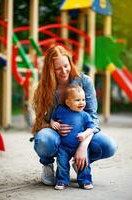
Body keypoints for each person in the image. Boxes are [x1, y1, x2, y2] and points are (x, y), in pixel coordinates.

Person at [31, 45, 117, 188]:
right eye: (58, 68)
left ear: (70, 63)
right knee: (43, 139)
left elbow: (92, 119)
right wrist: (52, 125)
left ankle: (81, 161)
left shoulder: (84, 82)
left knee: (109, 146)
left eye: (66, 65)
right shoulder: (45, 87)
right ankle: (47, 165)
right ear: (50, 69)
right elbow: (40, 120)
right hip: (55, 134)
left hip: (82, 133)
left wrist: (83, 146)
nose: (64, 71)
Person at [51, 84, 95, 190]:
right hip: (63, 146)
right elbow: (53, 118)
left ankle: (85, 180)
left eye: (83, 99)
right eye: (77, 100)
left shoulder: (85, 115)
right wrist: (53, 123)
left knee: (83, 163)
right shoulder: (60, 110)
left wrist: (84, 134)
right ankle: (62, 180)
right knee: (62, 164)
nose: (82, 102)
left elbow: (91, 128)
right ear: (67, 102)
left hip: (78, 145)